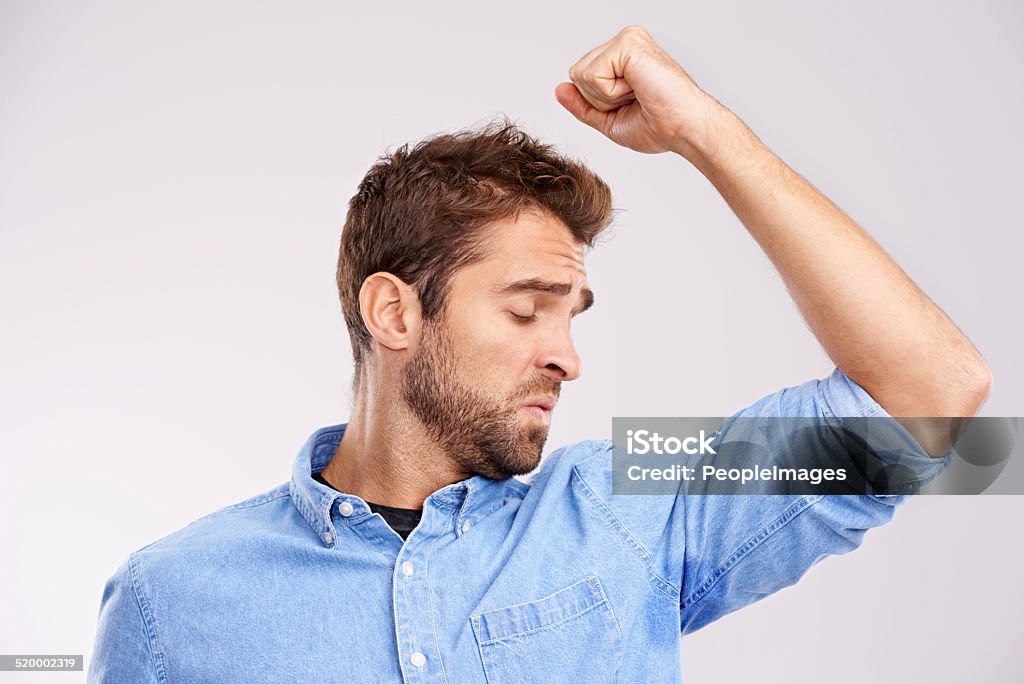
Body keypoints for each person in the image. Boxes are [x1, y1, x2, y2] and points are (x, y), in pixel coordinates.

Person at [88, 26, 990, 683]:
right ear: (394, 313)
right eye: (527, 312)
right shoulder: (170, 603)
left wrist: (704, 133)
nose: (567, 357)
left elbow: (927, 394)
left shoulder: (628, 509)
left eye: (574, 316)